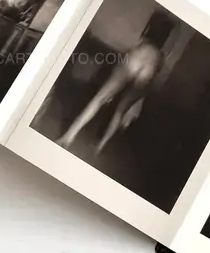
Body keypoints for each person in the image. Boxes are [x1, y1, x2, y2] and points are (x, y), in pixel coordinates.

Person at [56, 11, 176, 154]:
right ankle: (99, 147)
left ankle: (68, 137)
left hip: (138, 56)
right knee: (121, 110)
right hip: (151, 67)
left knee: (99, 99)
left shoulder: (144, 43)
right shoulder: (160, 58)